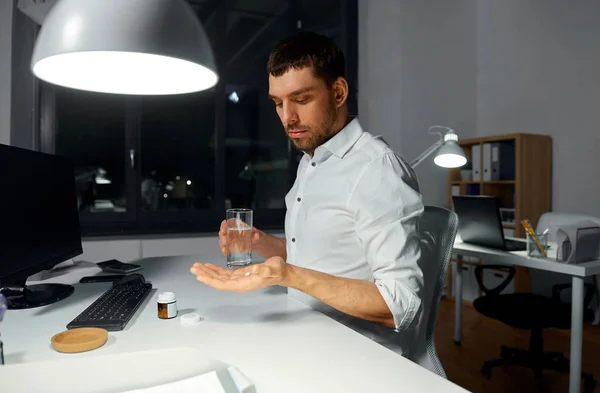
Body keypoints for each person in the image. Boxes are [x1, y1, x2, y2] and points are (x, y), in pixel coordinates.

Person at [190, 31, 424, 356]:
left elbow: (402, 305)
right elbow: (317, 257)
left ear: (338, 92)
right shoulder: (312, 160)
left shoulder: (377, 170)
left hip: (357, 356)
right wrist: (260, 243)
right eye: (278, 103)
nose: (288, 118)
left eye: (301, 99)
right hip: (303, 334)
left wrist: (288, 276)